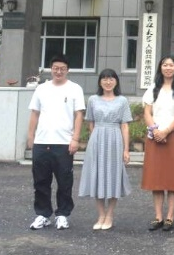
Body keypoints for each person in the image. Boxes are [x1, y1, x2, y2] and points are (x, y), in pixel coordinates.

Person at [27, 54, 86, 231]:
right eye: (55, 68)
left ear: (67, 70)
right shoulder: (42, 89)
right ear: (51, 69)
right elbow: (35, 113)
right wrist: (31, 136)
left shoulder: (75, 89)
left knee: (64, 181)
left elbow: (79, 115)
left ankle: (62, 214)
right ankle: (43, 214)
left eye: (62, 69)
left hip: (64, 142)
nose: (58, 71)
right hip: (42, 141)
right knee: (40, 181)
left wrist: (75, 138)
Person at [142, 55, 174, 232]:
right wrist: (155, 130)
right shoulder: (153, 88)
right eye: (165, 65)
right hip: (154, 137)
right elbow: (147, 112)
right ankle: (158, 217)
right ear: (160, 68)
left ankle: (170, 217)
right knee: (156, 178)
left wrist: (166, 131)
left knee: (173, 179)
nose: (168, 68)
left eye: (171, 65)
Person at [78, 69, 132, 230]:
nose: (108, 82)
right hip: (97, 139)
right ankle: (101, 214)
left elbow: (125, 126)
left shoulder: (122, 101)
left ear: (116, 81)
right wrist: (93, 142)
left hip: (115, 139)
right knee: (97, 175)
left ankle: (110, 215)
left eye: (111, 79)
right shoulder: (93, 100)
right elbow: (91, 123)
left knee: (114, 176)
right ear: (100, 82)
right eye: (105, 79)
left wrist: (126, 149)